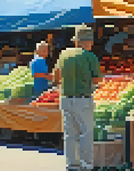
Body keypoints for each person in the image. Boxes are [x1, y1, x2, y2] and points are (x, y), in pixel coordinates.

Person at [51, 25, 102, 171]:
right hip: (83, 99)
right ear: (89, 42)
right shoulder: (90, 56)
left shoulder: (64, 54)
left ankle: (72, 164)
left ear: (76, 41)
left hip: (65, 98)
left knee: (69, 134)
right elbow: (97, 79)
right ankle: (86, 165)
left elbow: (56, 75)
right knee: (86, 133)